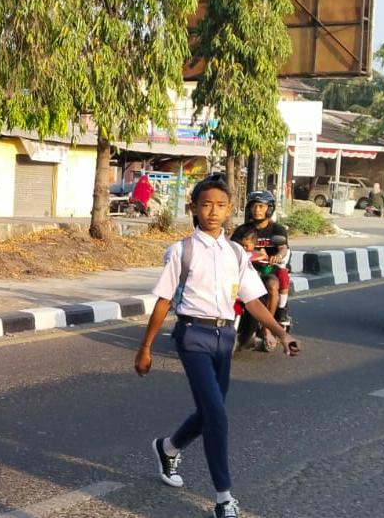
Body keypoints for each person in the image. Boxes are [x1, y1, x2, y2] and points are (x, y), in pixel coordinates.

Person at [134, 174, 299, 518]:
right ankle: (224, 498)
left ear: (229, 210)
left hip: (225, 338)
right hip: (192, 334)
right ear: (193, 208)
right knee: (218, 417)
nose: (213, 211)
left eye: (220, 205)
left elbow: (253, 301)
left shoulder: (236, 253)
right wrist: (145, 347)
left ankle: (168, 447)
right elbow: (163, 300)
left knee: (211, 410)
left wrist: (280, 334)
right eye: (206, 204)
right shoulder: (182, 251)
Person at [232, 190, 290, 351]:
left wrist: (278, 256)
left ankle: (267, 328)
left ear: (269, 209)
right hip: (245, 270)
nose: (257, 210)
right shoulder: (242, 230)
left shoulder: (278, 229)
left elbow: (283, 248)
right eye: (254, 206)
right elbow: (231, 247)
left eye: (261, 206)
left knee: (272, 285)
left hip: (267, 270)